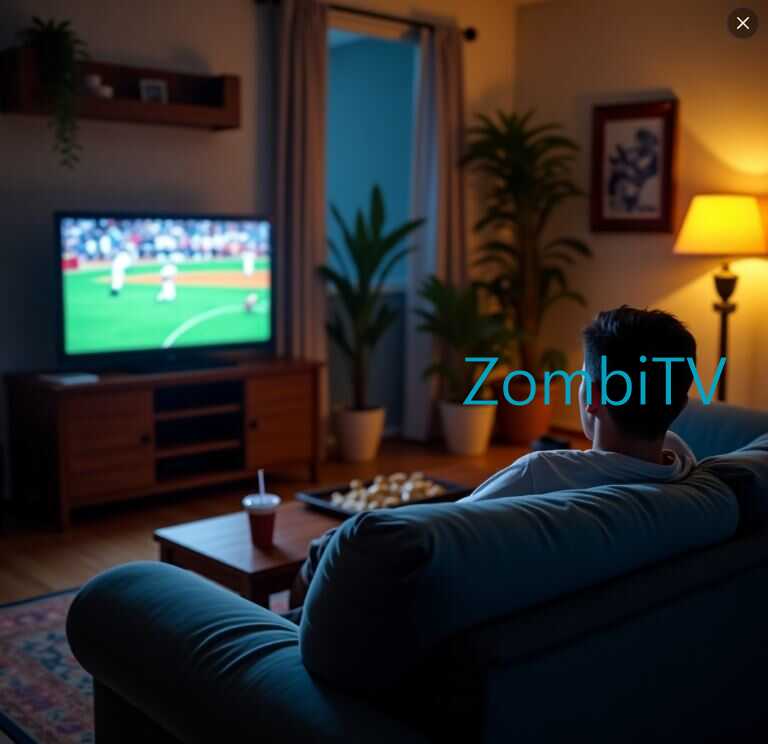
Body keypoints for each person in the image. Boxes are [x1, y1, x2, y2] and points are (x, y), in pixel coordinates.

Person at [288, 306, 698, 610]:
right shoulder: (687, 467)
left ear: (591, 398)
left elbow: (439, 532)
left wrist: (334, 544)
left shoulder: (541, 474)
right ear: (680, 403)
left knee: (324, 552)